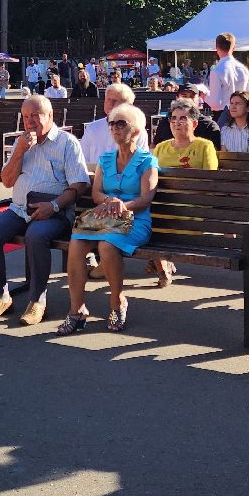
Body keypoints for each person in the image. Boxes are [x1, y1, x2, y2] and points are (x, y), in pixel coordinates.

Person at [0, 95, 92, 327]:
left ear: (50, 116)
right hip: (20, 208)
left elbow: (79, 184)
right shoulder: (21, 143)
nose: (30, 122)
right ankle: (1, 295)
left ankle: (37, 300)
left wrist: (54, 206)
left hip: (56, 210)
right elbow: (7, 181)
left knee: (36, 236)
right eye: (25, 117)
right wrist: (19, 150)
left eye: (35, 116)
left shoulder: (66, 143)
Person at [57, 104, 159, 334]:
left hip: (135, 220)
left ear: (136, 131)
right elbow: (96, 194)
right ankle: (77, 309)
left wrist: (122, 204)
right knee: (76, 243)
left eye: (121, 123)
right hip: (104, 218)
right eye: (112, 123)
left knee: (106, 245)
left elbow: (145, 199)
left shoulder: (146, 161)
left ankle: (116, 301)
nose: (114, 128)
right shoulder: (105, 159)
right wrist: (108, 201)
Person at [80, 83, 147, 168]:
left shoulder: (137, 131)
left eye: (115, 101)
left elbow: (140, 164)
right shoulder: (92, 128)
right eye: (108, 100)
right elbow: (81, 159)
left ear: (128, 105)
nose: (110, 104)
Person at [153, 101, 219, 171]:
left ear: (194, 124)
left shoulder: (205, 146)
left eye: (183, 119)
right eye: (174, 118)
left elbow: (210, 177)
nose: (177, 123)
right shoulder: (160, 148)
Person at [151, 84, 221, 148]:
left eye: (192, 97)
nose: (188, 100)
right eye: (184, 96)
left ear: (198, 99)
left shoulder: (209, 126)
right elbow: (155, 147)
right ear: (177, 98)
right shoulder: (165, 124)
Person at [205, 32, 249, 120]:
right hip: (243, 115)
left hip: (223, 115)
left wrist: (204, 95)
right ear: (234, 48)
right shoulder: (244, 69)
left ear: (216, 48)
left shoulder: (217, 70)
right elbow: (248, 95)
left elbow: (216, 103)